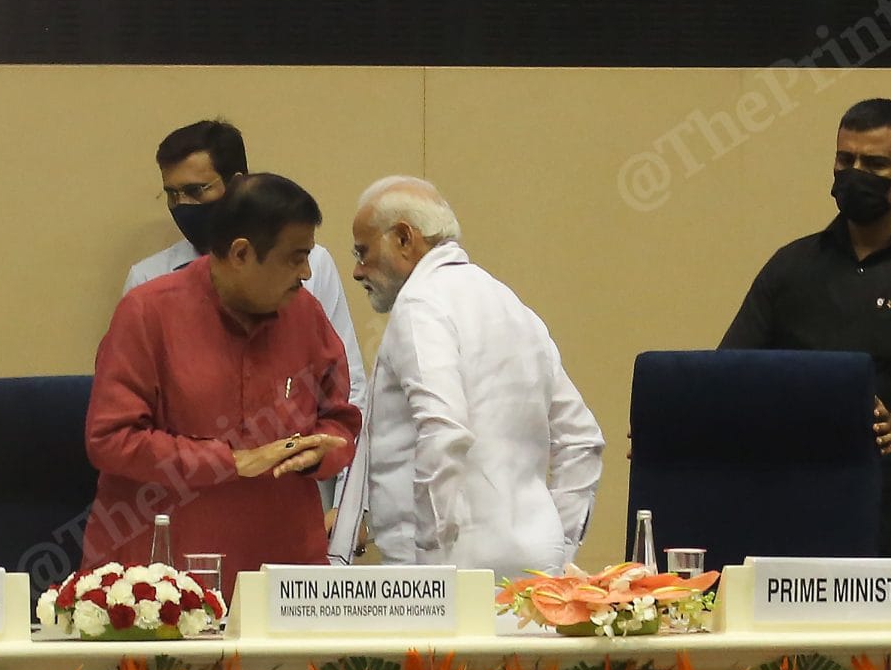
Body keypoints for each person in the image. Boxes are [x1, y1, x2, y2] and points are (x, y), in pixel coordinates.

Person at [719, 98, 891, 560]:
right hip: (798, 505)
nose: (855, 173)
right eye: (844, 160)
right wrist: (681, 425)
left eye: (874, 164)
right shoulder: (791, 267)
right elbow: (730, 370)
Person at [84, 173, 360, 589]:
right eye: (295, 257)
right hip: (162, 582)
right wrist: (231, 462)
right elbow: (111, 439)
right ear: (242, 253)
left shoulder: (306, 315)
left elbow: (342, 420)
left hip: (284, 576)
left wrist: (319, 454)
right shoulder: (147, 313)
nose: (306, 272)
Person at [333, 177, 604, 575]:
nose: (357, 271)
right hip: (533, 566)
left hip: (447, 574)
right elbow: (582, 439)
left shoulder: (420, 306)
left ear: (405, 239)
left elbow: (443, 430)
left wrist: (432, 569)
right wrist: (557, 552)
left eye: (363, 251)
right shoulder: (512, 305)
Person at [126, 119, 365, 417]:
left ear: (236, 184)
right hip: (194, 452)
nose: (183, 205)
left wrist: (329, 460)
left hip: (296, 449)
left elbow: (348, 383)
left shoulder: (310, 263)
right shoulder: (148, 282)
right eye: (173, 194)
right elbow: (130, 414)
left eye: (196, 190)